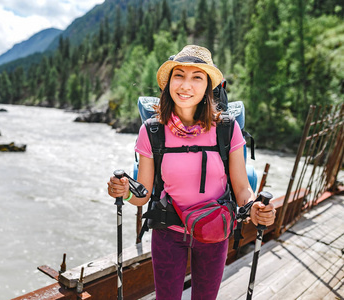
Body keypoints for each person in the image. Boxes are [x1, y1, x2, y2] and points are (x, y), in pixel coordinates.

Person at [107, 45, 276, 300]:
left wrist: (254, 209)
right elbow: (142, 195)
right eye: (179, 75)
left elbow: (242, 189)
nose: (186, 85)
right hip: (168, 234)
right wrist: (124, 193)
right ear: (168, 83)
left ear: (208, 87)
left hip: (214, 232)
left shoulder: (227, 129)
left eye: (197, 77)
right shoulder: (151, 131)